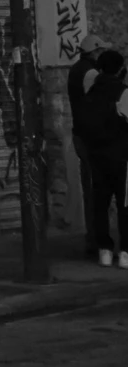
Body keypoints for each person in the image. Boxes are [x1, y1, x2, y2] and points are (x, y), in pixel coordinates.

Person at [76, 49, 128, 267]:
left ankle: (104, 250)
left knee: (100, 204)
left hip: (96, 156)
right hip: (122, 156)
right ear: (120, 69)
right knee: (125, 204)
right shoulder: (123, 92)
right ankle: (125, 252)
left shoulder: (91, 91)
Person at [69, 32, 105, 249]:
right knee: (97, 189)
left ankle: (93, 236)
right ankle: (96, 239)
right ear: (95, 51)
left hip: (81, 135)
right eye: (101, 51)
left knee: (90, 187)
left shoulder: (75, 70)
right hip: (92, 138)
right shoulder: (90, 73)